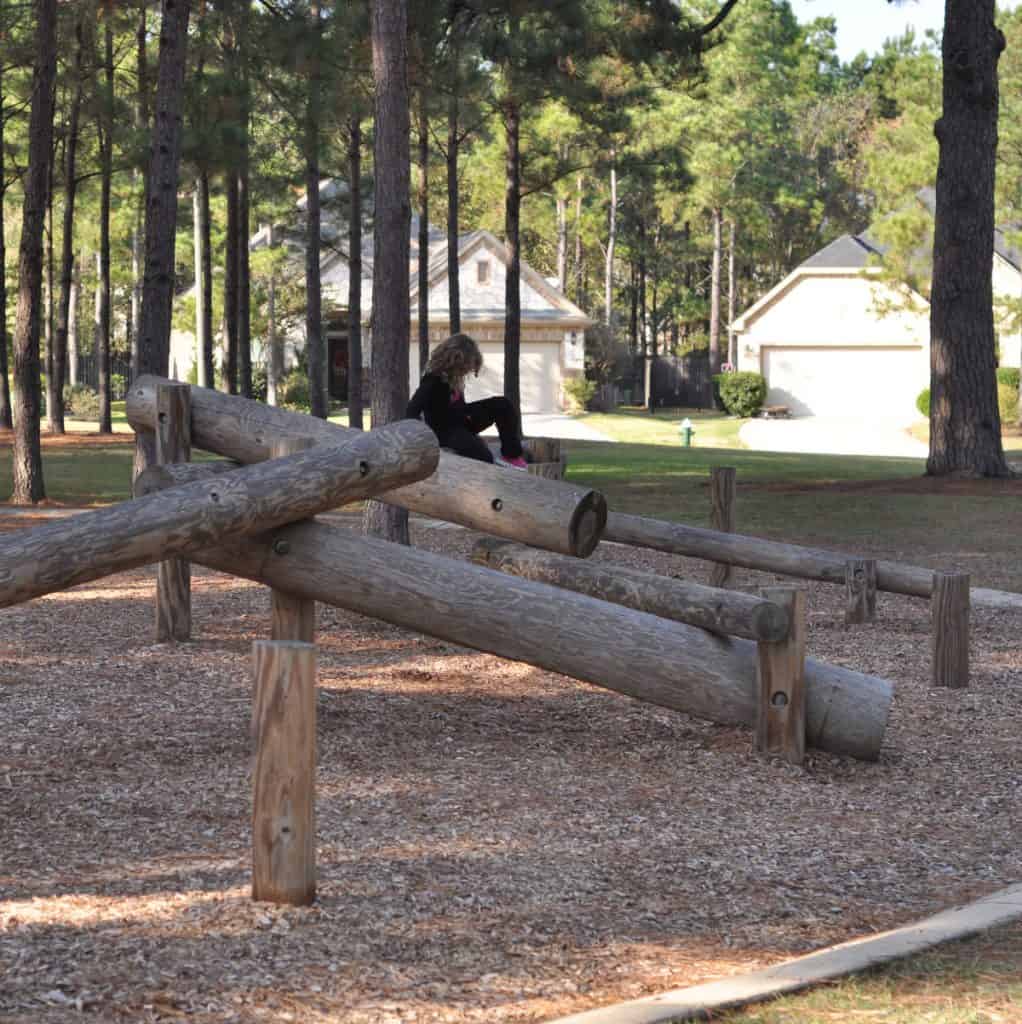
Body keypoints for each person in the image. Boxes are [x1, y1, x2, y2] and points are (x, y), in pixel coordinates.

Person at [406, 333, 529, 468]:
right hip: (444, 433)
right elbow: (411, 411)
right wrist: (424, 439)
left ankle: (512, 455)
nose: (467, 371)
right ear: (456, 360)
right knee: (484, 456)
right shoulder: (433, 380)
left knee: (502, 404)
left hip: (462, 420)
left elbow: (458, 409)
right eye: (467, 366)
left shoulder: (454, 378)